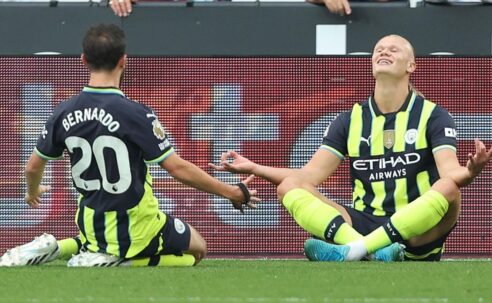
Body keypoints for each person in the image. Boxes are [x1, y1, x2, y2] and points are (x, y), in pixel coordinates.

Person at [210, 34, 492, 262]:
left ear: (411, 66)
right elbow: (310, 176)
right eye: (379, 49)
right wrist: (254, 168)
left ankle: (356, 251)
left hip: (417, 232)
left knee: (448, 190)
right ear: (371, 65)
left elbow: (451, 173)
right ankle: (365, 248)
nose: (385, 52)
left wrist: (472, 170)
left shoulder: (434, 115)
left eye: (394, 49)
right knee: (289, 187)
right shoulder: (349, 120)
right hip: (363, 220)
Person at [0, 23, 259, 267]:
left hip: (91, 224)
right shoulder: (136, 114)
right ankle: (123, 261)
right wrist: (232, 192)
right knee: (198, 249)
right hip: (139, 226)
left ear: (83, 60)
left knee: (97, 240)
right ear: (124, 60)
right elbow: (178, 169)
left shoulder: (63, 112)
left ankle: (57, 247)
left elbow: (33, 167)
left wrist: (32, 192)